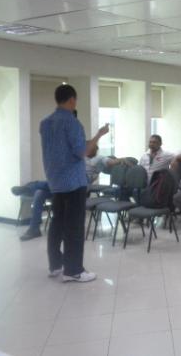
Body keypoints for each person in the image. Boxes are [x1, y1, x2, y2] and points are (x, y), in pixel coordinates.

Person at [40, 84, 108, 282]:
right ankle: (73, 270)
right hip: (74, 183)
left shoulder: (45, 123)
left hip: (55, 181)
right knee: (75, 227)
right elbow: (83, 152)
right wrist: (99, 135)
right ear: (71, 100)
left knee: (57, 223)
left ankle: (55, 265)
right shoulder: (73, 123)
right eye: (75, 100)